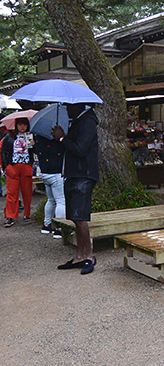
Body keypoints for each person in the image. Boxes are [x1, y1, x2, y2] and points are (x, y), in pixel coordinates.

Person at [52, 103, 99, 275]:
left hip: (83, 174)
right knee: (74, 217)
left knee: (81, 218)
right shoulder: (77, 122)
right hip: (73, 174)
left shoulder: (87, 122)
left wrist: (63, 138)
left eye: (68, 106)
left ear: (78, 106)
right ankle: (79, 256)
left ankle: (89, 256)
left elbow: (80, 149)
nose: (67, 110)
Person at [1, 117, 34, 227]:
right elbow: (3, 152)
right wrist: (6, 167)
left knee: (27, 192)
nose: (22, 127)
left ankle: (27, 213)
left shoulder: (30, 136)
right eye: (20, 124)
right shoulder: (9, 137)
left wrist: (34, 145)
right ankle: (10, 216)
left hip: (26, 166)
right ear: (16, 125)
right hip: (13, 167)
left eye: (24, 124)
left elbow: (35, 151)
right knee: (12, 193)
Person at [33, 134, 66, 238]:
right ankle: (59, 228)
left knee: (51, 200)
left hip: (45, 172)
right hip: (56, 172)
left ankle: (47, 225)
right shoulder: (55, 138)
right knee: (61, 201)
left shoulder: (38, 136)